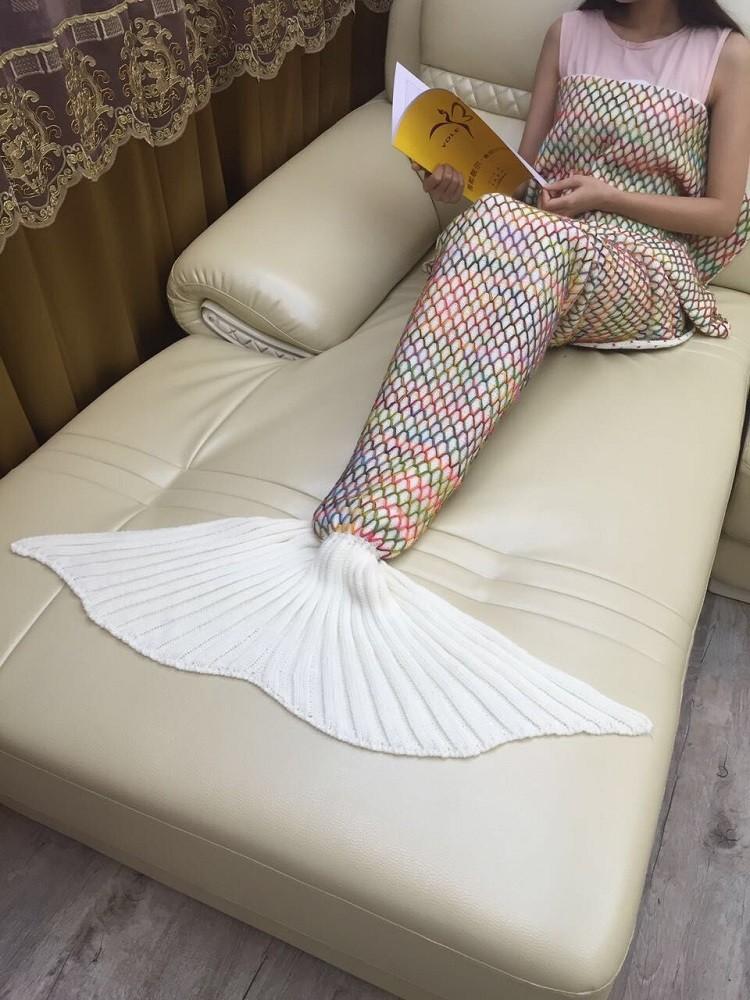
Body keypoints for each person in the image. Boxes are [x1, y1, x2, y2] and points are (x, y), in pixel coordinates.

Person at [13, 0, 750, 757]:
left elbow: (722, 213)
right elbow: (520, 186)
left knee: (518, 239)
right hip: (542, 244)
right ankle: (363, 527)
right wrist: (454, 186)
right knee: (495, 224)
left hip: (644, 267)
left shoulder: (725, 55)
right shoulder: (570, 34)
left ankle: (368, 525)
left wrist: (605, 198)